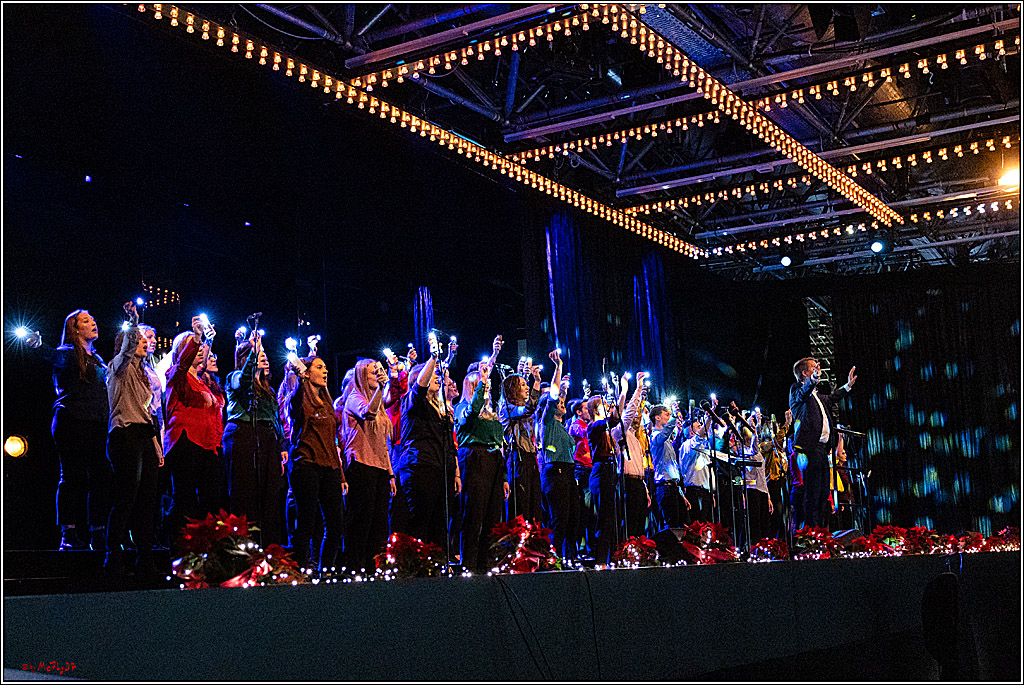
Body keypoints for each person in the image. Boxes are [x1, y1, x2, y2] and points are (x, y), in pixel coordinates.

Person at [27, 310, 113, 551]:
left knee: (100, 476)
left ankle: (97, 532)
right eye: (86, 321)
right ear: (75, 329)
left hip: (96, 423)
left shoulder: (96, 358)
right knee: (73, 476)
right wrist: (39, 345)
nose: (93, 322)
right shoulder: (68, 353)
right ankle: (69, 534)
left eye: (93, 319)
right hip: (72, 421)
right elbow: (53, 357)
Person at [103, 302, 162, 576]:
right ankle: (112, 555)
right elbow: (127, 350)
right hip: (124, 434)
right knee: (127, 495)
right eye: (138, 340)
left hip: (142, 435)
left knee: (147, 498)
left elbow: (148, 414)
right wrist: (134, 322)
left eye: (143, 341)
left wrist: (156, 446)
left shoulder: (144, 376)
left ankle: (145, 557)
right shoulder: (119, 368)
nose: (142, 343)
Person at [164, 317, 224, 548]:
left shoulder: (203, 382)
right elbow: (183, 364)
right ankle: (178, 551)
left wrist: (207, 339)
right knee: (185, 499)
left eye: (199, 347)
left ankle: (206, 551)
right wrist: (197, 337)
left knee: (211, 501)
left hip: (208, 446)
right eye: (192, 346)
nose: (199, 350)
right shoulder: (176, 375)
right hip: (186, 442)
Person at [223, 331, 289, 546]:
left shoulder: (268, 390)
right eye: (261, 357)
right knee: (246, 494)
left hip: (267, 439)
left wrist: (280, 447)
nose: (266, 360)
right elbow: (242, 381)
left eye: (265, 357)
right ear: (246, 359)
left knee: (269, 496)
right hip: (243, 435)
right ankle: (244, 549)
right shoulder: (233, 376)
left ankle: (269, 551)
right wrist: (253, 354)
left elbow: (275, 418)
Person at [285, 354, 348, 573]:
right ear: (308, 372)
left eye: (325, 367)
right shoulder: (299, 398)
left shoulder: (328, 403)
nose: (325, 371)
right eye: (320, 367)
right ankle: (301, 569)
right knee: (307, 521)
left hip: (329, 466)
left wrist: (340, 475)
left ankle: (326, 569)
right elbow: (294, 403)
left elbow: (333, 441)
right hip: (307, 463)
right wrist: (300, 379)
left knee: (336, 523)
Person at [397, 346, 462, 553]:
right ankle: (417, 568)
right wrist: (434, 357)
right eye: (433, 373)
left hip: (442, 469)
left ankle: (439, 572)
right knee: (420, 521)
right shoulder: (412, 402)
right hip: (420, 466)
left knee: (440, 524)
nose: (437, 377)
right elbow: (419, 388)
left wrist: (455, 472)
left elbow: (449, 443)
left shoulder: (441, 408)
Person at [454, 336, 509, 571]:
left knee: (492, 517)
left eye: (485, 386)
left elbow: (499, 441)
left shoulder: (492, 413)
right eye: (480, 385)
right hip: (474, 458)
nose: (485, 389)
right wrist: (482, 384)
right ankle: (469, 565)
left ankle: (487, 565)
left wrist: (504, 477)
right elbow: (472, 410)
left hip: (494, 461)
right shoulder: (462, 408)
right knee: (474, 514)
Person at [339, 358, 396, 573]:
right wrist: (381, 388)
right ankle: (355, 568)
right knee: (362, 520)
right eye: (374, 372)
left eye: (380, 371)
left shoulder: (379, 404)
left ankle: (374, 569)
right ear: (362, 375)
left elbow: (382, 443)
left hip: (380, 468)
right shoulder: (354, 397)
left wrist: (390, 474)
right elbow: (368, 413)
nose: (378, 375)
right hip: (361, 465)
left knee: (379, 522)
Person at [789, 358, 857, 528]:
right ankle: (810, 533)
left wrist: (847, 386)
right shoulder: (797, 390)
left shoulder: (818, 396)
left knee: (824, 492)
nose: (818, 369)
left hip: (821, 449)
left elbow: (833, 397)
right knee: (813, 492)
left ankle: (820, 532)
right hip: (809, 447)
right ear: (804, 373)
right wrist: (811, 382)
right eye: (813, 367)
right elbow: (804, 392)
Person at [536, 349, 579, 560]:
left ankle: (569, 559)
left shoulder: (561, 427)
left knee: (571, 519)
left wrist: (564, 388)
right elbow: (554, 396)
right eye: (559, 404)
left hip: (569, 475)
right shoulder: (548, 422)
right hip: (555, 474)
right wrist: (558, 367)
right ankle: (553, 560)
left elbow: (559, 395)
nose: (562, 404)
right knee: (559, 520)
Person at [498, 361, 543, 523]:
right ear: (513, 389)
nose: (527, 387)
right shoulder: (507, 408)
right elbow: (527, 409)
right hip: (517, 458)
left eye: (527, 384)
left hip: (530, 458)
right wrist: (537, 382)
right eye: (523, 385)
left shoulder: (521, 410)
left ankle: (533, 543)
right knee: (521, 505)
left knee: (535, 506)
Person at [586, 393, 620, 565]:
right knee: (604, 516)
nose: (606, 405)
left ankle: (611, 557)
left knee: (611, 516)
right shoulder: (593, 426)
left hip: (611, 469)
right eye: (602, 404)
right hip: (600, 470)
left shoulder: (605, 428)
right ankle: (600, 559)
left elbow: (615, 419)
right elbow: (611, 420)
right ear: (594, 408)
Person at [618, 374, 652, 538]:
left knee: (640, 521)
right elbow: (630, 411)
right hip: (627, 482)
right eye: (635, 415)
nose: (637, 417)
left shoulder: (635, 438)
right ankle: (630, 553)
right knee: (631, 521)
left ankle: (641, 553)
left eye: (639, 415)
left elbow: (639, 466)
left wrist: (644, 488)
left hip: (639, 482)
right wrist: (637, 388)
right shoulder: (619, 431)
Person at [650, 400, 691, 529]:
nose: (669, 416)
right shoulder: (656, 436)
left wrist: (681, 494)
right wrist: (674, 414)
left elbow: (673, 471)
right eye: (666, 414)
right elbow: (666, 431)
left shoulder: (666, 440)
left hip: (673, 487)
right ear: (657, 417)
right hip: (665, 488)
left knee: (685, 524)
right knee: (671, 526)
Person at [566, 397, 595, 558]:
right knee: (585, 511)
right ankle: (582, 548)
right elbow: (588, 432)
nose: (589, 411)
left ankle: (590, 547)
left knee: (592, 512)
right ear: (578, 412)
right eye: (586, 408)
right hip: (582, 470)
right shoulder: (576, 425)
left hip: (590, 469)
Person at [679, 409, 715, 523]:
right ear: (690, 432)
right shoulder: (688, 445)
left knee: (705, 525)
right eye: (698, 427)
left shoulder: (702, 449)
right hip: (694, 491)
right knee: (696, 525)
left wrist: (711, 493)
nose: (701, 427)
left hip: (705, 491)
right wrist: (709, 417)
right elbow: (701, 434)